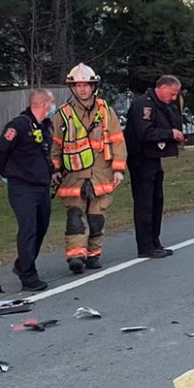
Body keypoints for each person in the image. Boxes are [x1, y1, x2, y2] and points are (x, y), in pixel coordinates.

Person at [53, 63, 127, 274]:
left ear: (93, 86)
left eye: (86, 84)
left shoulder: (106, 112)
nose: (82, 89)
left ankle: (94, 255)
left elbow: (117, 141)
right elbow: (55, 145)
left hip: (101, 174)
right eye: (78, 85)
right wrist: (55, 169)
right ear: (72, 88)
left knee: (96, 217)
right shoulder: (63, 115)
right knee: (75, 216)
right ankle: (76, 256)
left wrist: (118, 169)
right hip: (73, 176)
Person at [0, 88, 57, 292]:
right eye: (52, 103)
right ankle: (28, 275)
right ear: (45, 104)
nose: (54, 106)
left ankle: (23, 264)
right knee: (28, 229)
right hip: (22, 188)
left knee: (41, 227)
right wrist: (8, 172)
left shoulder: (44, 126)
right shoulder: (18, 125)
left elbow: (42, 155)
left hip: (41, 187)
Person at [123, 75, 185, 259]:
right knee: (145, 203)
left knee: (156, 200)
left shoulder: (160, 106)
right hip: (141, 159)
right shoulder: (144, 105)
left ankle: (154, 240)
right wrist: (170, 134)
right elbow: (145, 132)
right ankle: (145, 245)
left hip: (154, 158)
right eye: (172, 94)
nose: (173, 98)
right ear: (163, 87)